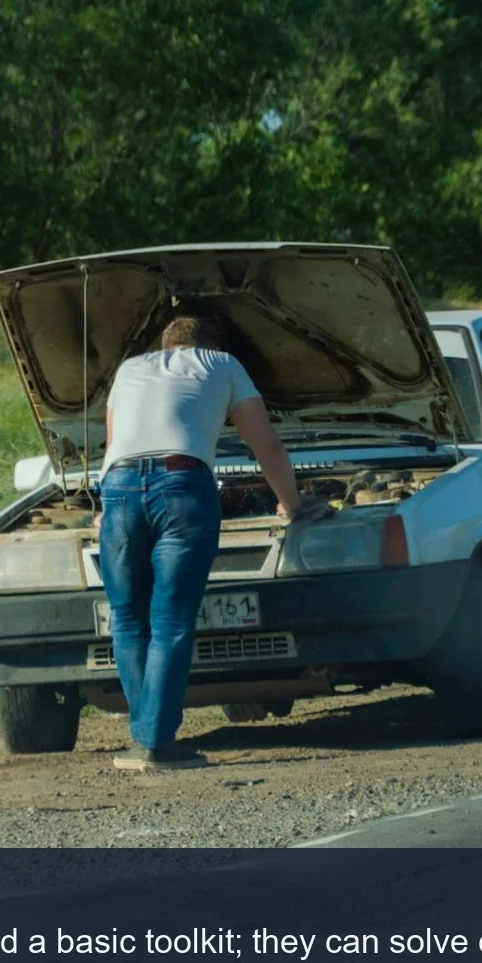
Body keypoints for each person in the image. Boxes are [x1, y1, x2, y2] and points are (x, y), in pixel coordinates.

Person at [96, 314, 316, 771]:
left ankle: (146, 738)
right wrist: (291, 504)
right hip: (181, 486)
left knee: (127, 617)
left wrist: (106, 506)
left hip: (117, 489)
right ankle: (156, 743)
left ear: (165, 344)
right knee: (171, 619)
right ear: (212, 343)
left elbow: (113, 444)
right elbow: (267, 446)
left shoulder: (129, 368)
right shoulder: (224, 364)